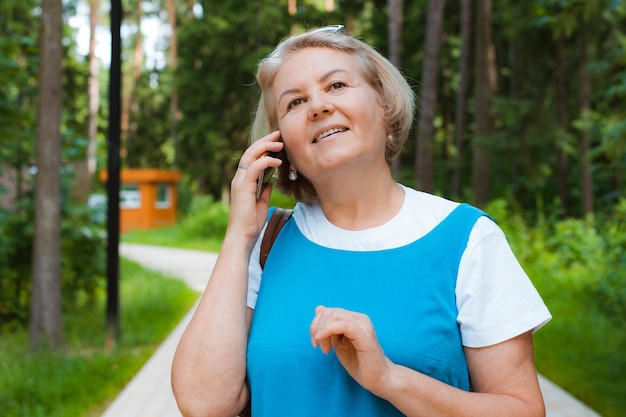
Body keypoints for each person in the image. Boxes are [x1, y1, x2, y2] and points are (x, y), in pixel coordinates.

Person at [171, 25, 552, 417]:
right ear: (281, 147)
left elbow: (522, 409)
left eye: (336, 86)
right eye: (295, 102)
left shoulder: (467, 239)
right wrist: (238, 235)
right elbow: (203, 404)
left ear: (384, 107)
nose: (318, 106)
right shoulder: (264, 241)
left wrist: (390, 379)